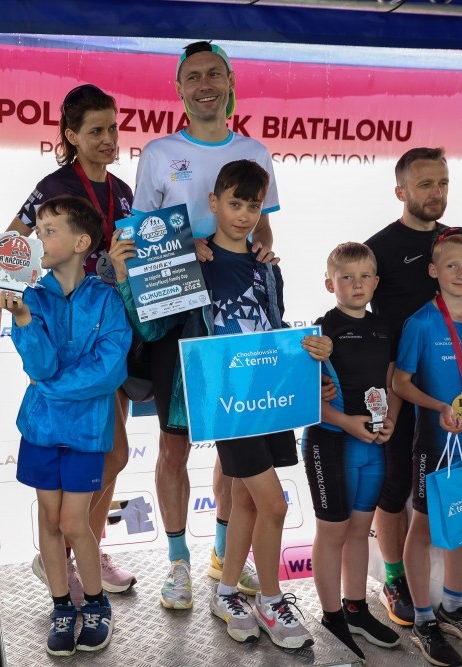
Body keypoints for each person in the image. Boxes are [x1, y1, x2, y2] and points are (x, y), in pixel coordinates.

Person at [111, 161, 329, 649]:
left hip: (268, 400)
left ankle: (227, 592)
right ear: (213, 203)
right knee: (274, 503)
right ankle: (270, 600)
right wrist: (126, 276)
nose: (245, 214)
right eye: (235, 203)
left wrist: (314, 356)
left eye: (254, 205)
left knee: (249, 500)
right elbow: (151, 327)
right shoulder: (194, 261)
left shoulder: (268, 268)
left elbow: (274, 329)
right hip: (225, 404)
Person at [132, 41, 282, 607]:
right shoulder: (159, 153)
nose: (204, 85)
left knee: (232, 449)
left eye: (214, 74)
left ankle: (224, 554)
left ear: (229, 81)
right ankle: (178, 563)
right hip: (179, 316)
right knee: (173, 448)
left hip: (236, 314)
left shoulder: (254, 150)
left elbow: (263, 229)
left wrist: (261, 254)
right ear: (179, 88)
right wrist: (182, 247)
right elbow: (141, 237)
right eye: (193, 76)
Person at [6, 83, 136, 601]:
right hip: (64, 337)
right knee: (109, 451)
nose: (108, 139)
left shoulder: (122, 191)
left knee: (115, 454)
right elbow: (12, 242)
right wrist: (24, 297)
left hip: (110, 326)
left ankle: (83, 546)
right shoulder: (54, 185)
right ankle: (65, 551)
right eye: (96, 130)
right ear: (71, 136)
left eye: (113, 128)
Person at [0, 195, 132, 656]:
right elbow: (40, 364)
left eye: (49, 231)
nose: (39, 239)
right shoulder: (31, 297)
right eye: (38, 231)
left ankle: (95, 603)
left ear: (81, 242)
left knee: (75, 522)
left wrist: (50, 387)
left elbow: (109, 371)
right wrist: (23, 318)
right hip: (40, 430)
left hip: (88, 431)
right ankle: (60, 606)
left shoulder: (107, 298)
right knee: (49, 521)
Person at [391, 228, 462, 667]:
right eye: (452, 265)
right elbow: (400, 382)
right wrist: (440, 406)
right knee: (422, 529)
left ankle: (454, 608)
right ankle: (424, 618)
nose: (461, 272)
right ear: (433, 270)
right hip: (435, 445)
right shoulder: (421, 323)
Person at [303, 242, 401, 661]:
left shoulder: (384, 328)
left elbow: (392, 383)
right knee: (333, 533)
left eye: (364, 277)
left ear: (376, 283)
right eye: (347, 277)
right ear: (331, 284)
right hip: (332, 443)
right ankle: (332, 616)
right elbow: (304, 398)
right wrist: (345, 422)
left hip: (373, 445)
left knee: (361, 531)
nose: (357, 284)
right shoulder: (320, 333)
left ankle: (356, 608)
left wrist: (390, 420)